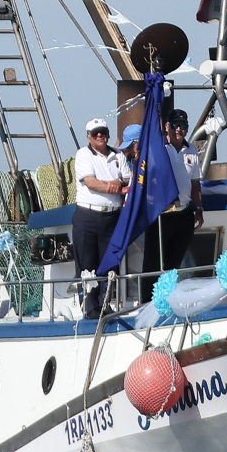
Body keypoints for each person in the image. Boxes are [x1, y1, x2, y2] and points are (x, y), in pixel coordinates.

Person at [71, 118, 127, 317]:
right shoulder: (83, 154)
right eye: (95, 133)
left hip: (112, 217)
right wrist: (114, 186)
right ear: (88, 136)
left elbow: (127, 178)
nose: (100, 136)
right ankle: (90, 308)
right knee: (87, 264)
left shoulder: (118, 155)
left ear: (108, 134)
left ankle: (105, 304)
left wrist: (118, 182)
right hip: (87, 216)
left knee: (110, 263)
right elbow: (91, 182)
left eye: (102, 132)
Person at [150, 110, 205, 273]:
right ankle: (150, 297)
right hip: (161, 214)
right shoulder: (157, 149)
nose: (178, 129)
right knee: (154, 264)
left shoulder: (192, 152)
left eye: (182, 126)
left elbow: (195, 184)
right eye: (174, 125)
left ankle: (168, 296)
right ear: (167, 127)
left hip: (183, 214)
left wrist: (199, 209)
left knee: (173, 266)